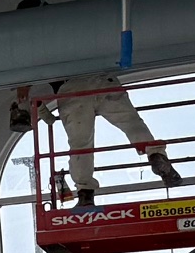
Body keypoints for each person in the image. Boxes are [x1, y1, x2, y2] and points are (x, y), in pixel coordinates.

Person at [11, 74, 183, 206]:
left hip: (71, 89)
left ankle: (85, 193)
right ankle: (155, 154)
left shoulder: (40, 52)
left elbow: (24, 91)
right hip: (103, 80)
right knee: (130, 123)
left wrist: (25, 107)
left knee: (80, 144)